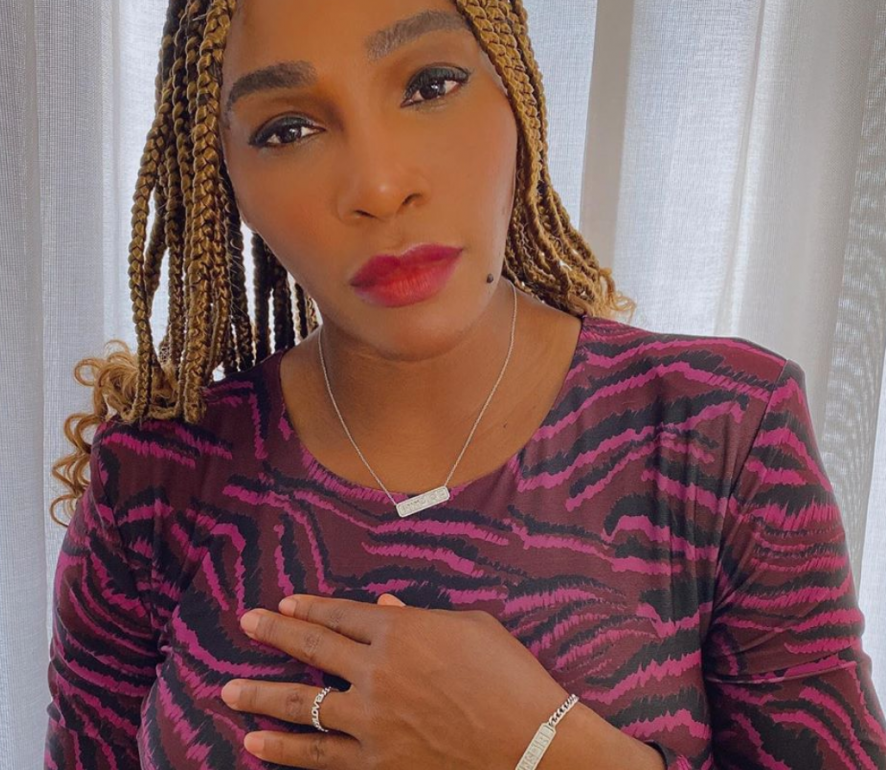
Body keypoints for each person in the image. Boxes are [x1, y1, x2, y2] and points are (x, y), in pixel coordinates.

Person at [44, 0, 886, 768]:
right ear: (222, 176)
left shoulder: (724, 432)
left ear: (515, 89)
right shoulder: (152, 484)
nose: (381, 187)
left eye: (430, 84)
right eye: (288, 129)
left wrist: (542, 750)